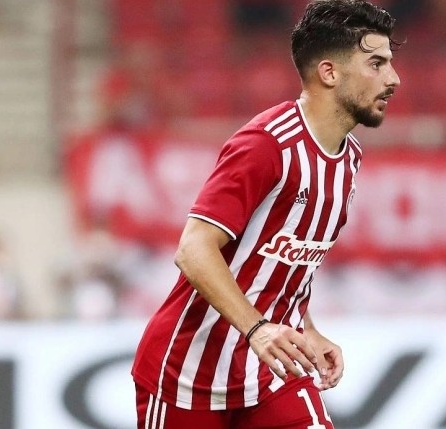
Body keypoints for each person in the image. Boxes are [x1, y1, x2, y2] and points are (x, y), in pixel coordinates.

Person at [131, 1, 401, 428]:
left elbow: (284, 261)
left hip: (268, 370)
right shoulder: (266, 145)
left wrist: (306, 327)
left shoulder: (348, 159)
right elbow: (193, 249)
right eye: (376, 64)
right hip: (188, 372)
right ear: (329, 73)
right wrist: (257, 329)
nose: (393, 78)